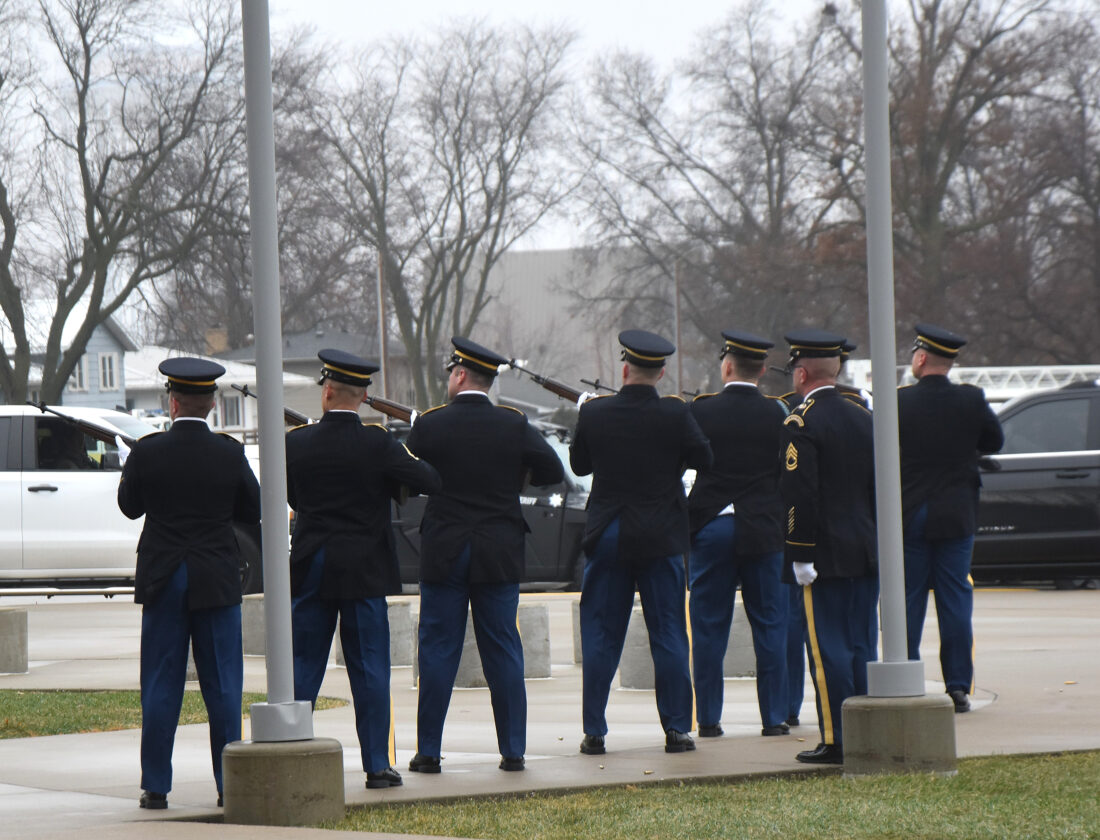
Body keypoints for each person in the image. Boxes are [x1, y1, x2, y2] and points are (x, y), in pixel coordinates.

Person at [405, 336, 564, 774]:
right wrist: (514, 478)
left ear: (459, 375)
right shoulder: (513, 424)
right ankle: (513, 751)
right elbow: (552, 469)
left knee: (438, 650)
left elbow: (408, 475)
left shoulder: (431, 424)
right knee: (503, 648)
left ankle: (429, 752)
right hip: (497, 548)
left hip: (445, 549)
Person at [286, 349, 440, 789]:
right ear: (361, 396)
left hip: (314, 562)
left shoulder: (296, 443)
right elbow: (429, 480)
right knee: (370, 667)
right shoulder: (378, 444)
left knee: (303, 664)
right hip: (364, 566)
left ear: (327, 392)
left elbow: (291, 496)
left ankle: (289, 754)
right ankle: (377, 765)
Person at [117, 358, 261, 809]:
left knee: (161, 684)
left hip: (164, 576)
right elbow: (251, 508)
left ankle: (156, 785)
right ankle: (228, 783)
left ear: (172, 402)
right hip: (215, 575)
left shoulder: (148, 451)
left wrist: (131, 468)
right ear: (212, 404)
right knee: (224, 685)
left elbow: (129, 507)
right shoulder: (229, 453)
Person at [571, 329, 713, 755]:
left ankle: (594, 731)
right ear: (662, 373)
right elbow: (705, 458)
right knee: (668, 631)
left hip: (610, 530)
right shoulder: (675, 413)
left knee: (601, 633)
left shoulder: (595, 413)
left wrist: (588, 420)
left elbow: (579, 466)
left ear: (624, 369)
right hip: (660, 532)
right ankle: (677, 728)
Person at [778, 329, 877, 765]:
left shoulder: (802, 422)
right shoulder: (863, 416)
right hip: (865, 549)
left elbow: (800, 494)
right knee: (861, 646)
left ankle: (837, 739)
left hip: (824, 554)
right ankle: (867, 732)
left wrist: (800, 553)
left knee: (828, 650)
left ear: (801, 373)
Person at [687, 329, 791, 737]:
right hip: (763, 527)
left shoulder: (701, 410)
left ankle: (709, 719)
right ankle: (774, 717)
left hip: (713, 524)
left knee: (709, 627)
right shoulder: (778, 412)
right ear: (762, 370)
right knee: (770, 624)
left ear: (727, 366)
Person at [898, 323, 1004, 713]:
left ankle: (904, 678)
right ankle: (958, 686)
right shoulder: (971, 399)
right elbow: (994, 441)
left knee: (907, 601)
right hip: (955, 513)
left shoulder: (899, 401)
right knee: (955, 599)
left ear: (921, 357)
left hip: (910, 512)